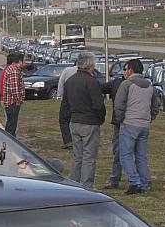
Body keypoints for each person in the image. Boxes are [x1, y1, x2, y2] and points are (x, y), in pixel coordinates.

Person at [114, 59, 159, 195]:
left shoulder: (126, 84)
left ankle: (134, 182)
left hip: (129, 124)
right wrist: (148, 119)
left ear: (131, 70)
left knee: (125, 155)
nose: (125, 72)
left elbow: (119, 105)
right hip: (144, 125)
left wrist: (121, 119)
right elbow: (155, 107)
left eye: (126, 69)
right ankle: (145, 183)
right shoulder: (150, 85)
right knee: (141, 156)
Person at [62, 52, 106, 188]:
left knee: (77, 156)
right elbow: (98, 104)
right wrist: (100, 118)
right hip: (89, 122)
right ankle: (86, 185)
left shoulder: (70, 81)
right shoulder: (91, 81)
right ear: (90, 65)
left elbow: (65, 103)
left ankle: (74, 183)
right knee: (89, 156)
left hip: (74, 121)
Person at [103, 73, 125, 189]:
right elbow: (101, 88)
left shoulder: (140, 84)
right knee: (118, 151)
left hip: (132, 124)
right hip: (119, 123)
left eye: (126, 69)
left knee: (137, 154)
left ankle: (139, 181)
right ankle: (115, 179)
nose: (125, 72)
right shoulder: (116, 83)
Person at [2, 52, 25, 136]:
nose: (24, 63)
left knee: (10, 123)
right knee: (12, 124)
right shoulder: (14, 71)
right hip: (12, 102)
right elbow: (14, 89)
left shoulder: (11, 69)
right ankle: (10, 141)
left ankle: (8, 139)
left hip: (10, 102)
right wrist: (18, 100)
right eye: (24, 61)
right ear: (20, 61)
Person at [57, 62, 79, 149]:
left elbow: (61, 83)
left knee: (63, 119)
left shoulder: (67, 70)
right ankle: (77, 140)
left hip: (68, 98)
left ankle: (68, 140)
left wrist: (60, 95)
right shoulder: (86, 71)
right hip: (80, 98)